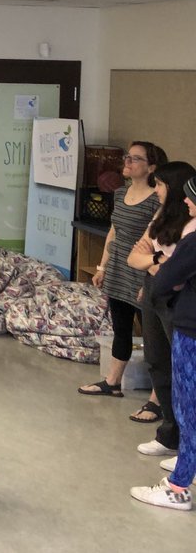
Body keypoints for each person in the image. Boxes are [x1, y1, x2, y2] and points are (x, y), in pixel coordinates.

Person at [80, 141, 167, 397]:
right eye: (127, 157)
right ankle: (113, 381)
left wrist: (145, 282)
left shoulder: (156, 200)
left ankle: (158, 396)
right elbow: (113, 232)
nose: (127, 162)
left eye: (135, 159)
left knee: (153, 336)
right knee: (121, 326)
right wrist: (102, 266)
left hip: (143, 270)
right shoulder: (120, 193)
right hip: (119, 265)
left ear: (151, 167)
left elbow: (154, 241)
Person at [131, 177, 196, 511]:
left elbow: (166, 280)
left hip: (192, 330)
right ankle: (189, 464)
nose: (186, 203)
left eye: (192, 198)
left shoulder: (193, 240)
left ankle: (178, 487)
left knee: (188, 408)